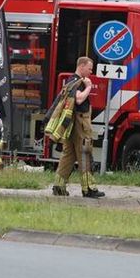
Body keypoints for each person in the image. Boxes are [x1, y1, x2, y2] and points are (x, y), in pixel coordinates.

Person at [52, 56, 104, 199]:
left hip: (71, 125)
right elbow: (79, 99)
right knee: (85, 153)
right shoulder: (78, 82)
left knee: (68, 155)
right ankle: (88, 188)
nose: (90, 72)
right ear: (81, 66)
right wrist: (88, 87)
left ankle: (59, 186)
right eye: (89, 68)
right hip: (80, 125)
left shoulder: (71, 81)